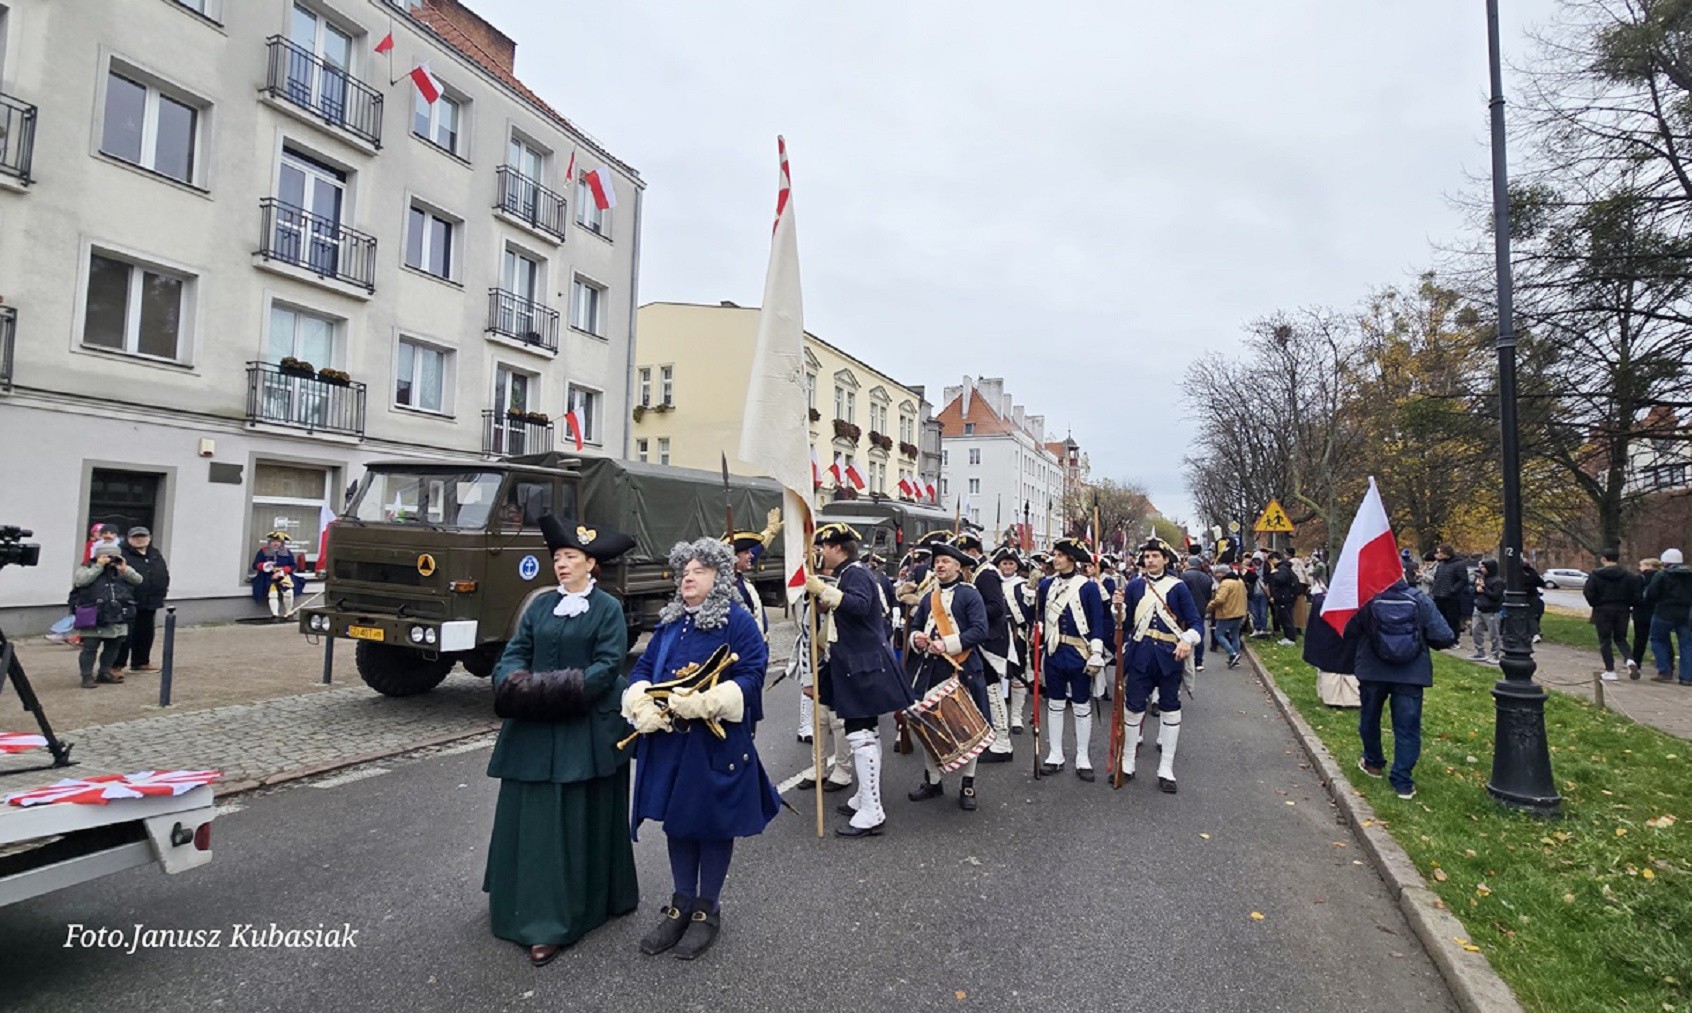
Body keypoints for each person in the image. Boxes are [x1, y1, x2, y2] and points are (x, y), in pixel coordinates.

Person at [484, 516, 639, 967]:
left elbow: (608, 664)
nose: (562, 564)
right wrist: (510, 682)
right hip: (534, 723)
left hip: (584, 725)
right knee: (532, 814)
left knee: (571, 815)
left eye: (571, 557)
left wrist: (560, 690)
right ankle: (521, 902)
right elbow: (516, 650)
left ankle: (553, 920)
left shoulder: (607, 608)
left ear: (591, 564)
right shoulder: (539, 606)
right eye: (557, 557)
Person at [623, 538, 781, 959]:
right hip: (671, 742)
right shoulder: (671, 622)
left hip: (715, 744)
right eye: (684, 571)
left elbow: (753, 674)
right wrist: (641, 701)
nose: (688, 577)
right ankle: (680, 904)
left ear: (720, 576)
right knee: (677, 821)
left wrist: (709, 702)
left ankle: (706, 909)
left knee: (711, 825)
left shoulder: (738, 622)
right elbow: (642, 668)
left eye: (699, 571)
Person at [807, 522, 913, 836]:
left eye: (823, 547)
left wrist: (822, 590)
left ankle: (872, 811)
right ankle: (866, 798)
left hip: (862, 664)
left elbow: (860, 605)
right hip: (857, 662)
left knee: (860, 735)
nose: (820, 553)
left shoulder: (854, 573)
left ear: (837, 548)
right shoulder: (851, 573)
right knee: (867, 733)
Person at [1343, 576, 1457, 800]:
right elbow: (1444, 636)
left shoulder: (1367, 600)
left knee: (1369, 718)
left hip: (1372, 670)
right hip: (1410, 672)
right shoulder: (1420, 599)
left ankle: (1373, 762)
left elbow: (1348, 631)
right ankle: (1402, 781)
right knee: (1407, 727)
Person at [904, 540, 991, 809]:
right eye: (937, 562)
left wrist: (947, 644)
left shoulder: (970, 594)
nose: (939, 565)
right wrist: (917, 639)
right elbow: (917, 626)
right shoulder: (929, 596)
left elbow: (980, 630)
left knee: (966, 727)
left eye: (945, 562)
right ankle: (933, 781)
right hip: (930, 669)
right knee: (928, 725)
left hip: (962, 668)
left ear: (957, 567)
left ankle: (967, 785)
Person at [1116, 538, 1203, 793]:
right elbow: (1126, 625)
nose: (1150, 560)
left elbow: (1196, 622)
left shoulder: (1178, 587)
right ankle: (1127, 763)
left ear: (1165, 559)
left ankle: (1166, 768)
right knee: (1133, 709)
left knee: (1170, 709)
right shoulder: (1134, 586)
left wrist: (1187, 639)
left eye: (1155, 556)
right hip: (1140, 656)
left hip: (1168, 657)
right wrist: (1117, 608)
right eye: (1147, 556)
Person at [1035, 537, 1107, 778]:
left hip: (1079, 653)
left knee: (1081, 705)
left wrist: (1096, 652)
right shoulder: (1046, 585)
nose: (1055, 559)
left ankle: (1083, 758)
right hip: (1054, 652)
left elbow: (1097, 621)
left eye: (1060, 555)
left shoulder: (1087, 587)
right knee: (1055, 704)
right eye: (1054, 555)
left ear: (1071, 559)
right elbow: (1038, 616)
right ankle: (1055, 754)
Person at [955, 533, 1014, 763]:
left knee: (992, 689)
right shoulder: (975, 572)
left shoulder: (986, 573)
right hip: (980, 638)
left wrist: (969, 611)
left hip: (991, 640)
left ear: (973, 551)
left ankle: (1002, 741)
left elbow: (996, 607)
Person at [69, 544, 143, 688]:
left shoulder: (121, 569)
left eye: (113, 555)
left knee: (114, 646)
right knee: (90, 647)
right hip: (93, 614)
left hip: (117, 613)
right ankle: (86, 676)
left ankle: (105, 672)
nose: (110, 559)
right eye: (106, 555)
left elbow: (138, 580)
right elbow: (81, 581)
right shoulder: (87, 567)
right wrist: (99, 566)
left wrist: (124, 569)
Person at [113, 527, 169, 675]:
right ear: (129, 539)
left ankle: (141, 662)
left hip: (150, 600)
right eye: (136, 537)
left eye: (143, 536)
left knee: (145, 633)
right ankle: (116, 665)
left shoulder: (155, 553)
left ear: (149, 538)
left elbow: (162, 573)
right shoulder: (121, 554)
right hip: (128, 601)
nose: (140, 539)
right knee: (125, 635)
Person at [1584, 548, 1642, 681]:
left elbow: (1589, 592)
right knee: (1620, 638)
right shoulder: (1629, 576)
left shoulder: (1595, 575)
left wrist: (1596, 603)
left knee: (1605, 640)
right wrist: (1628, 604)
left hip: (1602, 609)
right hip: (1622, 609)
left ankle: (1610, 670)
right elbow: (1637, 595)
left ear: (1603, 559)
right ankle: (1630, 660)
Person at [995, 547, 1031, 734]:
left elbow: (1029, 612)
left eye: (1011, 563)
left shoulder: (1023, 586)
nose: (1008, 567)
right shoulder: (992, 582)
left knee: (1018, 673)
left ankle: (1016, 717)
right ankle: (998, 716)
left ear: (1016, 566)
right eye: (1005, 563)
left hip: (1016, 633)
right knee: (995, 674)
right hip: (995, 633)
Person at [1642, 548, 1692, 685]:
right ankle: (1687, 677)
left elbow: (1651, 594)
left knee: (1658, 640)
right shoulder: (1689, 576)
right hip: (1685, 613)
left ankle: (1664, 671)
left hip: (1663, 612)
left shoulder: (1662, 575)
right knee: (1687, 644)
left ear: (1665, 561)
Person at [251, 532, 306, 619]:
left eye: (278, 541)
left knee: (288, 592)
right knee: (272, 594)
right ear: (270, 542)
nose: (276, 543)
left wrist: (282, 571)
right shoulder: (263, 551)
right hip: (267, 576)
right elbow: (255, 565)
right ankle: (275, 615)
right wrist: (265, 566)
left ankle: (288, 612)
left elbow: (293, 565)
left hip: (283, 575)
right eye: (273, 541)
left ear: (281, 543)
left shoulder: (287, 552)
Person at [1206, 564, 1247, 668]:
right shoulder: (1240, 581)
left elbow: (1220, 599)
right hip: (1239, 612)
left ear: (1223, 573)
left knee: (1218, 634)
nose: (1216, 575)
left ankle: (1232, 653)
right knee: (1235, 636)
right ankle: (1235, 658)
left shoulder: (1225, 583)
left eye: (1218, 573)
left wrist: (1209, 606)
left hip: (1227, 613)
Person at [1179, 555, 1214, 671]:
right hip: (1201, 608)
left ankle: (1185, 659)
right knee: (1199, 633)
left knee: (1185, 633)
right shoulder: (1206, 577)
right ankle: (1199, 661)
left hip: (1185, 609)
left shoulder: (1184, 576)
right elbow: (1209, 595)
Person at [1632, 557, 1666, 676]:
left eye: (1642, 565)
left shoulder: (1640, 578)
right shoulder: (1663, 577)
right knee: (1660, 640)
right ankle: (1664, 665)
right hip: (1657, 611)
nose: (1639, 568)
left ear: (1649, 566)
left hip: (1640, 612)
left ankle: (1636, 663)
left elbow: (1635, 595)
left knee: (1639, 639)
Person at [1468, 559, 1505, 663]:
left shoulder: (1498, 581)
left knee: (1493, 633)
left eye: (1483, 567)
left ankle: (1495, 654)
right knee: (1476, 631)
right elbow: (1475, 592)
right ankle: (1480, 652)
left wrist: (1484, 589)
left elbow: (1496, 596)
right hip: (1479, 607)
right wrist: (1476, 588)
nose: (1481, 569)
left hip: (1491, 610)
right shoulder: (1482, 578)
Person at [1265, 551, 1304, 645]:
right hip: (1285, 596)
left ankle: (1290, 638)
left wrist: (1273, 574)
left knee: (1286, 618)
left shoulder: (1282, 569)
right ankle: (1288, 636)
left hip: (1284, 597)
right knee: (1284, 617)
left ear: (1274, 559)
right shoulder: (1285, 568)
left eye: (1271, 561)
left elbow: (1280, 580)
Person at [1429, 544, 1467, 639]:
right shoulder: (1441, 564)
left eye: (1440, 552)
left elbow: (1463, 580)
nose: (1438, 554)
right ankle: (1443, 638)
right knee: (1440, 618)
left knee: (1452, 619)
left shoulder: (1459, 564)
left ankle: (1454, 639)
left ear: (1446, 553)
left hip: (1451, 597)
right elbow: (1437, 578)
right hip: (1438, 595)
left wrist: (1453, 589)